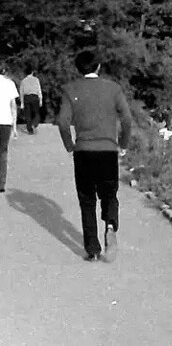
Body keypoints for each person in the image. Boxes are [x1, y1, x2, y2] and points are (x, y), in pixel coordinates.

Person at [56, 51, 133, 261]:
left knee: (87, 199)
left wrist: (70, 145)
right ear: (98, 67)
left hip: (83, 151)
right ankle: (110, 224)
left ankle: (92, 248)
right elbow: (127, 119)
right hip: (108, 150)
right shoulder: (113, 89)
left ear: (78, 68)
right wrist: (123, 144)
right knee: (109, 194)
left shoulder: (70, 90)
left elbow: (63, 122)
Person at [0, 62, 19, 193]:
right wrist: (15, 127)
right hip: (5, 121)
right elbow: (13, 106)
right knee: (3, 152)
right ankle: (1, 183)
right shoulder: (10, 83)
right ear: (4, 70)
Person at [19, 66, 42, 135]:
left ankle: (30, 130)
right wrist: (40, 100)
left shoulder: (23, 81)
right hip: (34, 97)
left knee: (28, 114)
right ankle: (35, 123)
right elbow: (39, 90)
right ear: (32, 72)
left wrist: (22, 103)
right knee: (36, 112)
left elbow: (21, 92)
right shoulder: (36, 80)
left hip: (27, 98)